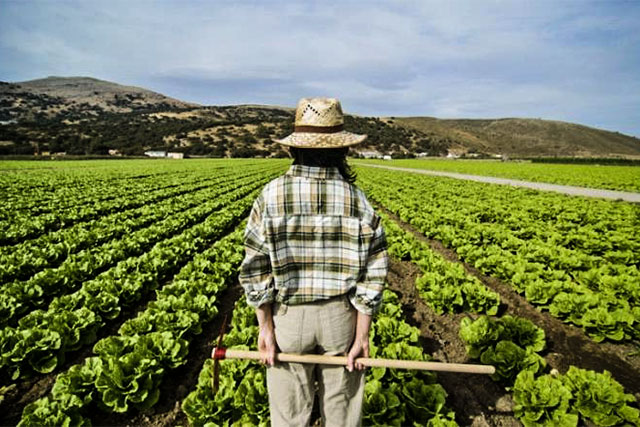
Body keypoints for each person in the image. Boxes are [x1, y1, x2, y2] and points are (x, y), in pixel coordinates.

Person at [239, 97, 388, 427]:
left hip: (289, 317)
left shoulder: (271, 195)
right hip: (341, 318)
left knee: (290, 415)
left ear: (293, 149)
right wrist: (362, 335)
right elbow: (374, 273)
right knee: (343, 413)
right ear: (342, 150)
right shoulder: (358, 201)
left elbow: (255, 267)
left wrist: (265, 327)